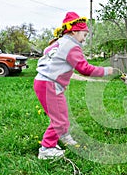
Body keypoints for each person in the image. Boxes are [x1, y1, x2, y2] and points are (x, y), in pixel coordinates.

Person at [34, 11, 113, 159]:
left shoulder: (58, 43)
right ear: (75, 31)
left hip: (42, 82)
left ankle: (63, 136)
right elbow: (85, 69)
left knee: (61, 114)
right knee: (59, 119)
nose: (84, 39)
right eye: (84, 34)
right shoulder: (72, 46)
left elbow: (47, 52)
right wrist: (106, 71)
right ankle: (46, 149)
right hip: (50, 85)